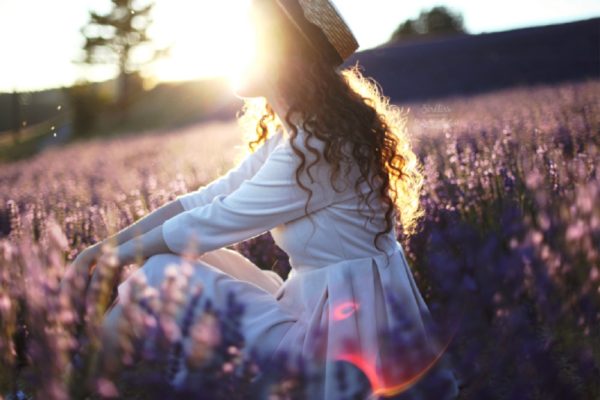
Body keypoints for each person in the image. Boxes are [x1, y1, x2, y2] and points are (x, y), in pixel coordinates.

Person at [60, 0, 461, 398]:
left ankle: (71, 388)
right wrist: (102, 249)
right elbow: (202, 201)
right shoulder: (296, 137)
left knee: (160, 274)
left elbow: (210, 222)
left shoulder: (317, 147)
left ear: (281, 56)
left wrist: (112, 258)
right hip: (317, 309)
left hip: (341, 342)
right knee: (186, 260)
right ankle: (82, 380)